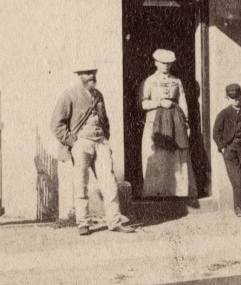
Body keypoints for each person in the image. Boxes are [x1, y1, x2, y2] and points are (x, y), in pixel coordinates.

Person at [51, 65, 134, 236]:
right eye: (87, 73)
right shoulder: (69, 95)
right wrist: (74, 141)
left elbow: (105, 119)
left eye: (93, 73)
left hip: (100, 143)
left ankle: (115, 221)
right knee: (81, 183)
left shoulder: (98, 95)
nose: (91, 76)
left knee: (110, 183)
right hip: (82, 144)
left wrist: (106, 137)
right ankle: (83, 222)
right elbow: (56, 125)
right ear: (79, 74)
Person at [140, 49, 197, 197]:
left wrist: (186, 123)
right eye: (163, 63)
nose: (166, 66)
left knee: (176, 155)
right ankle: (157, 191)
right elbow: (143, 104)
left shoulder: (176, 81)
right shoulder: (150, 81)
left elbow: (182, 103)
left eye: (169, 64)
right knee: (158, 155)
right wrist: (159, 102)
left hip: (175, 122)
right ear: (156, 63)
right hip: (155, 123)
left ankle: (178, 191)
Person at [213, 83, 241, 218]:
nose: (236, 100)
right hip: (230, 151)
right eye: (233, 98)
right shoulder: (224, 114)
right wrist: (223, 147)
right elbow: (216, 133)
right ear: (228, 98)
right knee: (237, 179)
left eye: (238, 97)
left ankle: (238, 207)